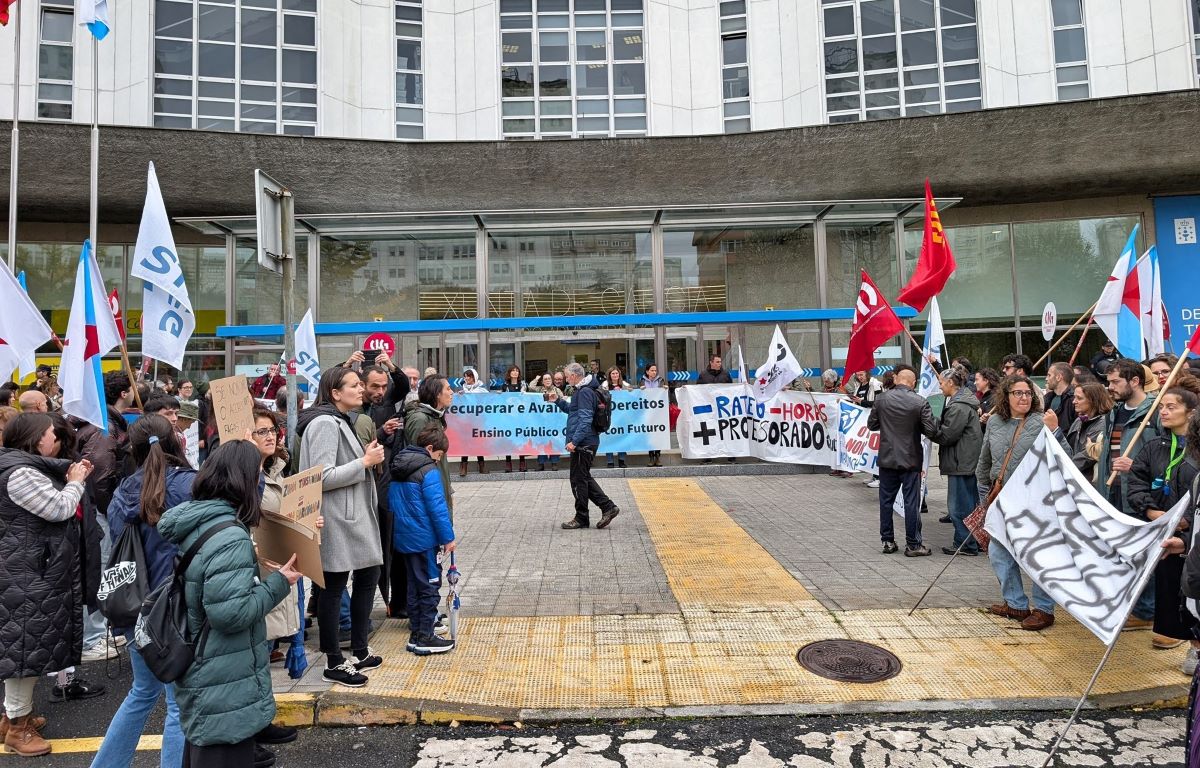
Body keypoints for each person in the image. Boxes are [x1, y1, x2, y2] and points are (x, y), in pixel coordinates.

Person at [157, 441, 301, 768]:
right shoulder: (229, 536)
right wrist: (279, 584)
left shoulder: (204, 521)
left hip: (208, 671)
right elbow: (230, 614)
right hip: (222, 678)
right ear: (244, 481)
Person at [90, 415, 193, 768]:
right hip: (175, 609)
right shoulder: (188, 485)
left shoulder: (122, 492)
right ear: (176, 443)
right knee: (179, 701)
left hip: (135, 608)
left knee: (142, 692)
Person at [0, 413, 95, 757]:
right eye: (51, 433)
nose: (55, 438)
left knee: (25, 648)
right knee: (25, 650)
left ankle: (12, 717)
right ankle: (18, 727)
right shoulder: (20, 472)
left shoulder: (18, 466)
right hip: (26, 574)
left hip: (26, 572)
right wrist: (76, 480)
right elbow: (59, 508)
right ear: (35, 438)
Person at [297, 367, 385, 688]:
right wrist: (364, 462)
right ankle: (334, 660)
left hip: (352, 517)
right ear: (335, 393)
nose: (361, 389)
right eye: (354, 385)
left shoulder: (337, 420)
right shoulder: (323, 423)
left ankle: (359, 649)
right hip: (338, 518)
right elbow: (320, 476)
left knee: (367, 576)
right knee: (333, 586)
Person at [979, 375, 1069, 632]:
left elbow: (1067, 459)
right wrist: (984, 491)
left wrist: (1055, 431)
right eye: (1017, 393)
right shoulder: (995, 421)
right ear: (1005, 397)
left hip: (1036, 501)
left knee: (1038, 554)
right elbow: (986, 459)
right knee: (999, 552)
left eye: (1028, 393)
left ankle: (1044, 609)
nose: (1023, 398)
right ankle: (1015, 603)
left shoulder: (1043, 422)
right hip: (1002, 498)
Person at [1127, 383, 1200, 655]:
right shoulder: (1154, 446)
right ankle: (1173, 630)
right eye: (1161, 407)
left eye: (1171, 406)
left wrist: (1186, 520)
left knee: (1192, 587)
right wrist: (1150, 511)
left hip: (1192, 534)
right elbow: (1135, 482)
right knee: (1168, 582)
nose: (1164, 412)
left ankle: (1194, 642)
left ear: (1191, 413)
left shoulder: (1197, 451)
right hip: (1163, 529)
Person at [1096, 358, 1162, 632]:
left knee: (1142, 553)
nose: (1109, 387)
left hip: (1141, 495)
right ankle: (1130, 605)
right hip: (1114, 492)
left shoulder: (1156, 412)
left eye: (1115, 382)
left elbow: (1167, 456)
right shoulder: (1115, 412)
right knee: (1121, 552)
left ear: (1134, 381)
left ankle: (1146, 611)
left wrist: (1136, 467)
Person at [389, 425, 457, 655]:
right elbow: (437, 508)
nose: (438, 461)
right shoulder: (428, 471)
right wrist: (448, 537)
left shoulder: (399, 466)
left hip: (404, 537)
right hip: (424, 539)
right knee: (429, 586)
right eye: (438, 455)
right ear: (430, 449)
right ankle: (426, 636)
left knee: (414, 586)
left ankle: (416, 634)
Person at [867, 365, 936, 557]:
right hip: (910, 459)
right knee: (911, 503)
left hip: (887, 458)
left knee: (886, 501)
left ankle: (887, 541)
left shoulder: (881, 399)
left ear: (897, 379)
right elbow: (931, 430)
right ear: (913, 383)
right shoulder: (919, 402)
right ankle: (913, 544)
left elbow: (871, 424)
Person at [549, 362, 620, 530]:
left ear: (574, 376)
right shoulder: (583, 391)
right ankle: (607, 508)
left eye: (567, 376)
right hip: (587, 441)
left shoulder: (585, 392)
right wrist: (558, 401)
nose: (566, 379)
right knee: (582, 477)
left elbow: (586, 420)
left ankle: (584, 516)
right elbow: (573, 410)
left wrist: (575, 441)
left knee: (579, 479)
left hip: (584, 442)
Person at [930, 368, 983, 556]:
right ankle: (972, 542)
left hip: (961, 462)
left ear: (951, 383)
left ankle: (965, 544)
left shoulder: (959, 406)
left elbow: (947, 435)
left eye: (942, 382)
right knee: (968, 504)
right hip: (965, 461)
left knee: (959, 507)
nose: (940, 386)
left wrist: (929, 425)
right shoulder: (962, 402)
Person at [1066, 381, 1114, 481]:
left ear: (1093, 400)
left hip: (1089, 483)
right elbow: (1068, 448)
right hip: (1075, 477)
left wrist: (1064, 468)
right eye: (1074, 397)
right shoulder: (1078, 420)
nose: (1074, 401)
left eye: (1079, 398)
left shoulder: (1103, 423)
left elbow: (1086, 456)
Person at [496, 365, 528, 473]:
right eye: (513, 371)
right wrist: (500, 395)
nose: (515, 372)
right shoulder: (505, 386)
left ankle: (522, 461)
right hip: (509, 418)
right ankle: (508, 462)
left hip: (521, 417)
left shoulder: (523, 384)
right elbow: (502, 401)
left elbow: (526, 397)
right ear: (509, 373)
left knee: (520, 439)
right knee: (508, 439)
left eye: (517, 371)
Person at [529, 373, 564, 471]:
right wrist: (536, 378)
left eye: (549, 378)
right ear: (543, 381)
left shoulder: (557, 390)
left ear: (552, 380)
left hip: (554, 421)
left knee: (554, 441)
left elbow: (563, 401)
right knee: (541, 441)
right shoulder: (539, 390)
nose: (547, 380)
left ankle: (554, 462)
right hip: (541, 421)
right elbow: (531, 387)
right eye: (545, 379)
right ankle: (541, 463)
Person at [457, 368, 489, 476]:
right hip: (466, 421)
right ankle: (463, 466)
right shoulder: (463, 391)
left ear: (474, 377)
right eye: (465, 376)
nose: (466, 378)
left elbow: (489, 401)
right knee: (466, 442)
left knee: (478, 442)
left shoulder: (482, 390)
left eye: (469, 376)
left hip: (478, 420)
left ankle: (482, 466)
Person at [601, 367, 632, 469]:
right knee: (609, 438)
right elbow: (601, 397)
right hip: (609, 416)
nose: (615, 375)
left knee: (621, 437)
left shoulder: (625, 385)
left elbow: (631, 398)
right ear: (609, 375)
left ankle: (621, 460)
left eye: (616, 373)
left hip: (622, 416)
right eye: (613, 374)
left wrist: (628, 391)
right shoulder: (604, 386)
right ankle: (610, 460)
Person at [640, 365, 664, 467]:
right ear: (647, 371)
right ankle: (651, 456)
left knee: (658, 433)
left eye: (655, 370)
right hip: (647, 411)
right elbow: (639, 394)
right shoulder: (642, 381)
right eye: (652, 370)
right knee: (649, 433)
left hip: (658, 411)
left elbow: (663, 394)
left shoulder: (661, 380)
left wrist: (664, 388)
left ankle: (658, 456)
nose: (654, 372)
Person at [1043, 362, 1077, 430]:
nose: (1046, 379)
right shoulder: (1047, 398)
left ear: (1058, 377)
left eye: (1049, 375)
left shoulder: (1074, 400)